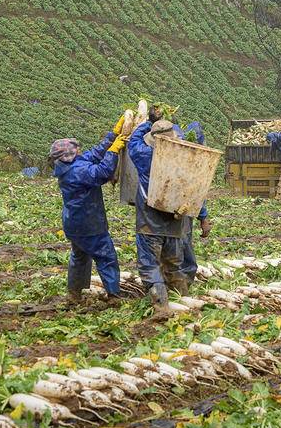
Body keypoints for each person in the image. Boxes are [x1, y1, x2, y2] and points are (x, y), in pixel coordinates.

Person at [50, 122, 126, 304]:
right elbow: (102, 172)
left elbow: (93, 154)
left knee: (80, 256)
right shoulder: (77, 171)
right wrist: (113, 151)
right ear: (70, 155)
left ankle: (74, 294)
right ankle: (114, 295)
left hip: (74, 224)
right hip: (89, 223)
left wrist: (112, 136)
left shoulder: (68, 165)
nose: (80, 152)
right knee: (106, 256)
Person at [128, 117, 190, 318]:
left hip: (150, 222)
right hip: (175, 221)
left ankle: (162, 306)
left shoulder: (144, 154)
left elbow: (133, 141)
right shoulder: (183, 156)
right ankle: (183, 298)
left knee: (149, 264)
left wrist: (148, 121)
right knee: (173, 262)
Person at [173, 122, 212, 284]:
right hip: (181, 210)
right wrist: (203, 218)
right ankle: (182, 280)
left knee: (172, 243)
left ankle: (172, 279)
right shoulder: (191, 162)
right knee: (181, 242)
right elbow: (195, 194)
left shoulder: (161, 154)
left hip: (161, 210)